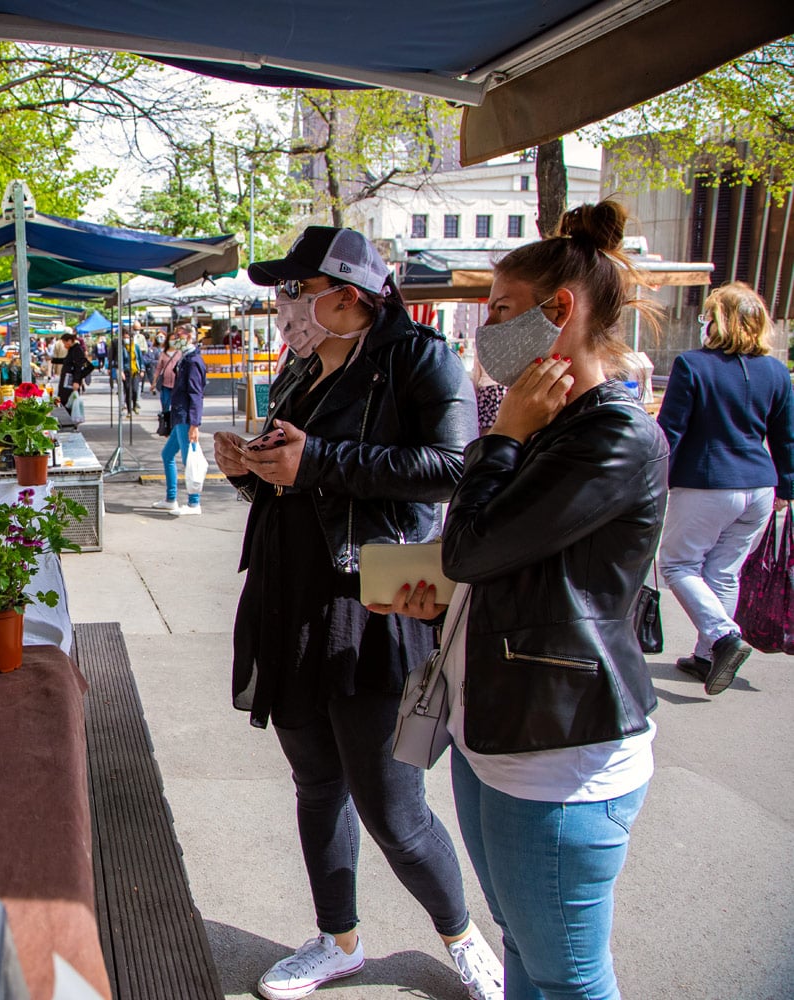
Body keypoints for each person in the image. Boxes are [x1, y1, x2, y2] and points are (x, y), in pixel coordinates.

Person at [381, 202, 669, 1000]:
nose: (487, 329)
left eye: (502, 311)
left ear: (560, 312)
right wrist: (431, 599)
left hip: (560, 757)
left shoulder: (609, 434)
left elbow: (476, 543)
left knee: (569, 975)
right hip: (496, 733)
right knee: (526, 953)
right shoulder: (551, 422)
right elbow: (501, 568)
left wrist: (500, 436)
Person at [213, 226, 501, 1000]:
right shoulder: (300, 370)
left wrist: (320, 461)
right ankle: (337, 939)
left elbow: (450, 470)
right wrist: (249, 469)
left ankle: (463, 937)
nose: (284, 308)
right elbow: (292, 481)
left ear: (348, 293)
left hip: (373, 608)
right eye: (282, 294)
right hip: (289, 600)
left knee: (394, 810)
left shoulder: (418, 359)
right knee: (315, 785)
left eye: (295, 292)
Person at [657, 281, 793, 693]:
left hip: (706, 483)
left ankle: (722, 637)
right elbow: (785, 435)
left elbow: (670, 432)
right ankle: (704, 656)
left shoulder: (693, 365)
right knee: (724, 570)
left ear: (717, 321)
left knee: (677, 565)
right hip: (759, 487)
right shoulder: (776, 371)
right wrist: (788, 485)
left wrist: (651, 477)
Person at [156, 326, 206, 517]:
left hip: (186, 417)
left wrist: (195, 424)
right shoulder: (186, 358)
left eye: (179, 336)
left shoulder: (193, 361)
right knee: (167, 454)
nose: (175, 339)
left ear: (189, 337)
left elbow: (196, 394)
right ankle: (171, 499)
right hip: (180, 415)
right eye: (175, 336)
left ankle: (194, 502)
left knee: (189, 460)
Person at [56, 331, 94, 412]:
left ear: (69, 341)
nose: (64, 345)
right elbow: (69, 362)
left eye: (64, 343)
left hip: (70, 381)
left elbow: (79, 366)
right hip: (67, 380)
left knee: (67, 402)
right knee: (64, 401)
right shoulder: (72, 350)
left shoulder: (77, 350)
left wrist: (77, 380)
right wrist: (54, 360)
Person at [154, 328, 185, 416]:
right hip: (165, 384)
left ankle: (174, 422)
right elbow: (158, 369)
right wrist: (154, 382)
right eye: (171, 339)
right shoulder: (163, 354)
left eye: (175, 339)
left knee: (177, 405)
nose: (173, 341)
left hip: (177, 383)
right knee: (165, 405)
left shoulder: (180, 353)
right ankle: (166, 423)